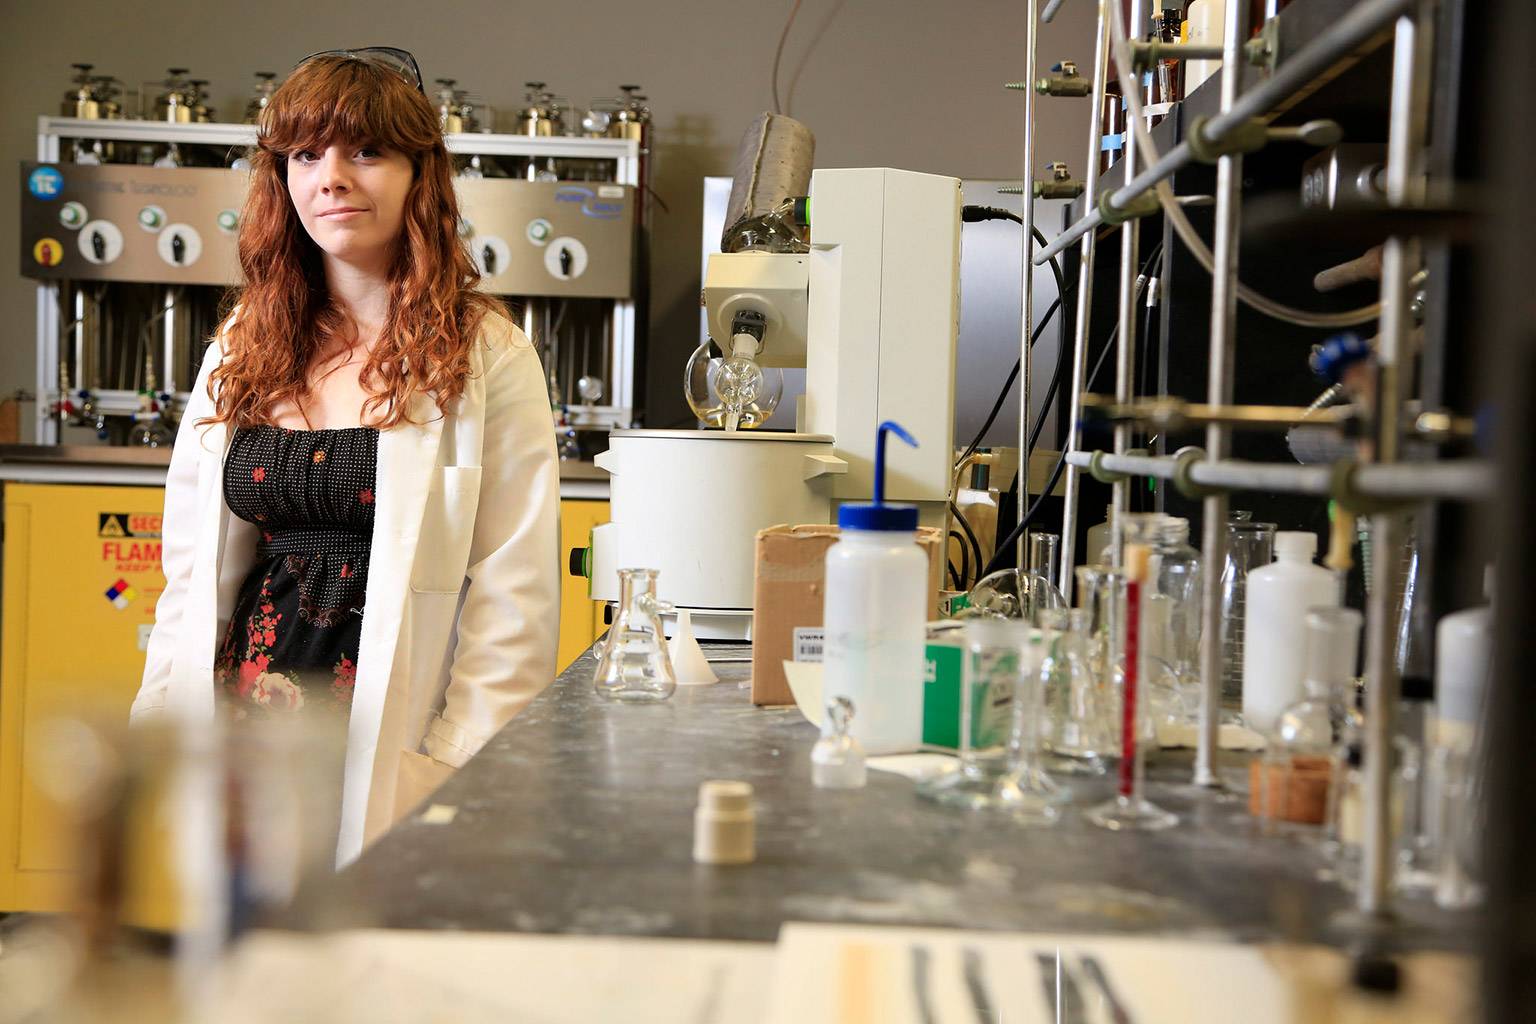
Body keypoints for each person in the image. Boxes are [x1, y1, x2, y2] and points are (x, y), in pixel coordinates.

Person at [130, 48, 560, 863]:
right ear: (282, 180)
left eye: (365, 150)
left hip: (392, 721)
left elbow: (515, 589)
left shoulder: (487, 354)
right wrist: (161, 714)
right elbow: (190, 567)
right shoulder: (242, 346)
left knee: (373, 958)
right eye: (304, 154)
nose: (330, 177)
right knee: (248, 957)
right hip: (244, 718)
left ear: (418, 175)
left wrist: (459, 755)